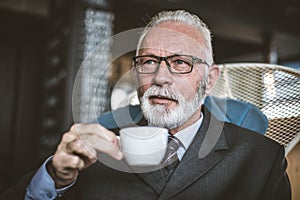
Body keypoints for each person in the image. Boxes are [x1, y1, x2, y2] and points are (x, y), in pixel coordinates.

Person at [1, 10, 290, 200]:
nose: (160, 78)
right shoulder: (97, 142)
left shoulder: (263, 160)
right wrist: (55, 176)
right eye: (149, 61)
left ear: (210, 80)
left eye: (180, 63)